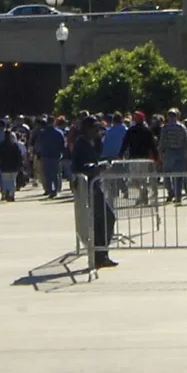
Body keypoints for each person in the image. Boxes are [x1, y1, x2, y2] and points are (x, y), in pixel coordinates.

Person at [72, 115, 118, 268]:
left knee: (102, 221)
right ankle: (100, 254)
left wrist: (100, 164)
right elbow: (79, 166)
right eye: (95, 128)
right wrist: (96, 167)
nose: (98, 131)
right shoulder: (81, 144)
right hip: (88, 187)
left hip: (95, 185)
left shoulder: (91, 142)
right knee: (106, 218)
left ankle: (101, 254)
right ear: (87, 129)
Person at [158, 108, 187, 201]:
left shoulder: (165, 128)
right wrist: (186, 152)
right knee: (178, 176)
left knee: (166, 174)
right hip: (180, 152)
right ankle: (178, 195)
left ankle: (170, 192)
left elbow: (162, 141)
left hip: (169, 152)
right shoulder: (182, 127)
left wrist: (160, 153)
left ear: (168, 117)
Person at [34, 116, 67, 197]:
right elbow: (62, 144)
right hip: (56, 155)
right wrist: (63, 153)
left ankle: (50, 190)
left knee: (47, 174)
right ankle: (55, 190)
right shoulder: (58, 132)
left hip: (45, 155)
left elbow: (38, 144)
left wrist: (39, 153)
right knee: (55, 174)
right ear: (54, 122)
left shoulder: (42, 133)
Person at [0, 126, 23, 201]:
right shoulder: (14, 145)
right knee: (13, 181)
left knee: (6, 181)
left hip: (4, 166)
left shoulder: (2, 145)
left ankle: (6, 191)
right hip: (14, 166)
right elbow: (19, 155)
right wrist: (20, 164)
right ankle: (12, 194)